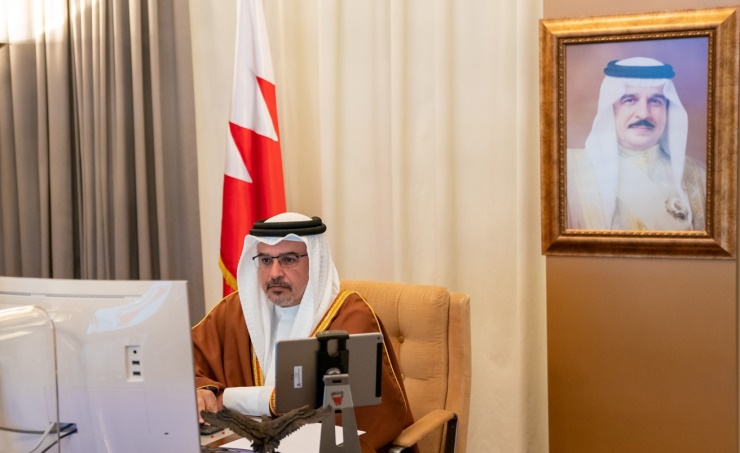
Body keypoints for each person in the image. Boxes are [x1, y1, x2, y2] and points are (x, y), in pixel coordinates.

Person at [192, 212, 415, 452]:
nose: (274, 273)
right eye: (266, 260)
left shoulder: (350, 315)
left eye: (288, 259)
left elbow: (341, 412)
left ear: (316, 261)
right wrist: (202, 389)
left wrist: (226, 398)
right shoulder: (235, 311)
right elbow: (180, 364)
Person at [567, 56, 706, 231]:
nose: (643, 114)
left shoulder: (698, 175)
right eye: (629, 100)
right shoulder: (568, 172)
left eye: (655, 101)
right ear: (610, 109)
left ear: (667, 110)